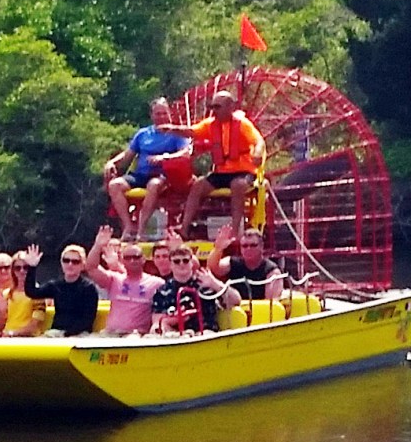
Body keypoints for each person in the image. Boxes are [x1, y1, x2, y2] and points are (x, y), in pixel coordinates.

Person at [158, 90, 265, 239]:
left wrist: (258, 154)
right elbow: (192, 131)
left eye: (217, 107)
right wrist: (171, 128)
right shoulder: (210, 124)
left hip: (244, 171)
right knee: (198, 185)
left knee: (238, 185)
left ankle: (235, 232)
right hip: (221, 172)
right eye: (212, 107)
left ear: (230, 107)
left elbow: (258, 141)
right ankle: (184, 228)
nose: (213, 110)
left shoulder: (243, 124)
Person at [103, 97, 190, 241]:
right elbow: (127, 155)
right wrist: (111, 162)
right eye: (158, 114)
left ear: (169, 114)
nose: (162, 117)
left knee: (153, 185)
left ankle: (141, 230)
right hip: (140, 175)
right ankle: (129, 226)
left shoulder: (177, 134)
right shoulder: (143, 134)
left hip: (163, 175)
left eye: (164, 113)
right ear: (152, 115)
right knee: (115, 185)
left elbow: (186, 152)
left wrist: (165, 157)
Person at [85, 225, 165, 335]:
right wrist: (98, 246)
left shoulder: (157, 283)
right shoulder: (114, 279)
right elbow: (91, 268)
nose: (132, 261)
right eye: (128, 258)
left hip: (136, 335)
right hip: (110, 333)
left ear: (143, 259)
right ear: (122, 260)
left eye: (136, 257)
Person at [151, 244, 242, 333]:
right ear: (170, 264)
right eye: (177, 261)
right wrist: (176, 319)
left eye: (185, 260)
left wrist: (214, 284)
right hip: (177, 336)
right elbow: (157, 322)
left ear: (191, 263)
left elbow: (236, 301)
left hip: (206, 334)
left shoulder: (206, 283)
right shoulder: (163, 291)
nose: (181, 264)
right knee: (154, 330)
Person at [23, 244, 99, 336]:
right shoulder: (55, 286)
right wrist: (32, 267)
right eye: (66, 260)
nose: (70, 264)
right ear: (61, 263)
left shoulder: (88, 288)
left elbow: (87, 319)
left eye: (75, 262)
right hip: (56, 332)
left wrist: (66, 334)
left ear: (82, 265)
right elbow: (31, 292)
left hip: (80, 334)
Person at [206, 225, 283, 300]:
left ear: (261, 246)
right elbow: (213, 268)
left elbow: (271, 305)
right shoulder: (233, 263)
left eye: (253, 245)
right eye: (244, 246)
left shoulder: (272, 271)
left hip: (260, 311)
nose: (248, 249)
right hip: (236, 310)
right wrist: (218, 248)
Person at [1, 250, 47, 337]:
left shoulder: (37, 293)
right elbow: (1, 324)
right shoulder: (6, 294)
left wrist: (13, 333)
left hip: (28, 339)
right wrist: (1, 312)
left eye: (26, 267)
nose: (22, 271)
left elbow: (34, 325)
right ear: (13, 271)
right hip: (7, 337)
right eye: (17, 268)